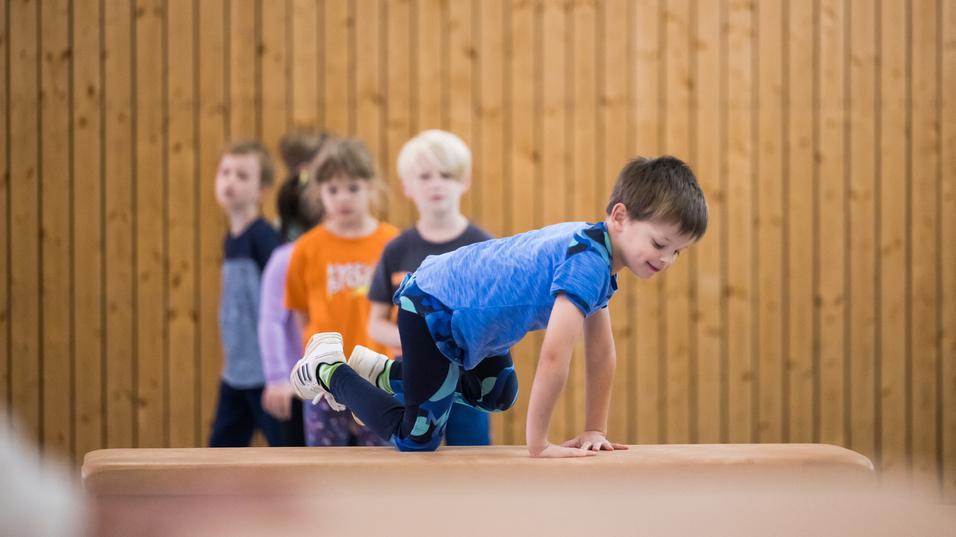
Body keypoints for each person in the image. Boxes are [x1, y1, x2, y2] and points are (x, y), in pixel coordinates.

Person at [290, 156, 708, 457]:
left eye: (678, 252)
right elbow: (555, 355)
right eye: (659, 244)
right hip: (436, 306)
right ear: (620, 217)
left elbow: (601, 352)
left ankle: (382, 373)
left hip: (471, 320)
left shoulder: (597, 254)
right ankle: (330, 369)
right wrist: (538, 444)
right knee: (416, 437)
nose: (666, 259)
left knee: (497, 392)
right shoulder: (587, 261)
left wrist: (593, 429)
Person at [366, 130, 493, 445]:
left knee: (474, 464)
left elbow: (496, 318)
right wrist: (420, 348)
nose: (436, 183)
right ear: (406, 187)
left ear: (464, 181)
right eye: (425, 176)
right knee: (409, 466)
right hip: (408, 379)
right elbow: (375, 322)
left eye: (447, 174)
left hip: (469, 382)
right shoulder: (396, 249)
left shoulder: (484, 246)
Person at [284, 138, 400, 446]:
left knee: (381, 466)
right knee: (325, 465)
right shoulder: (307, 248)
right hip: (325, 377)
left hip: (378, 375)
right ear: (318, 192)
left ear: (371, 188)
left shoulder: (392, 243)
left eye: (353, 188)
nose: (343, 198)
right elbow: (300, 313)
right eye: (332, 190)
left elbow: (403, 314)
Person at [209, 140, 284, 447]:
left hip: (266, 376)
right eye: (225, 172)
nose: (230, 181)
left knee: (287, 455)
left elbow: (280, 309)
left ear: (262, 190)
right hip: (236, 372)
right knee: (218, 453)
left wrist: (278, 372)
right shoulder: (231, 239)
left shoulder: (265, 240)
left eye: (242, 175)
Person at [258, 131, 331, 446]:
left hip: (344, 379)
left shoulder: (341, 253)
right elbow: (271, 320)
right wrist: (277, 377)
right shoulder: (285, 258)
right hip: (299, 382)